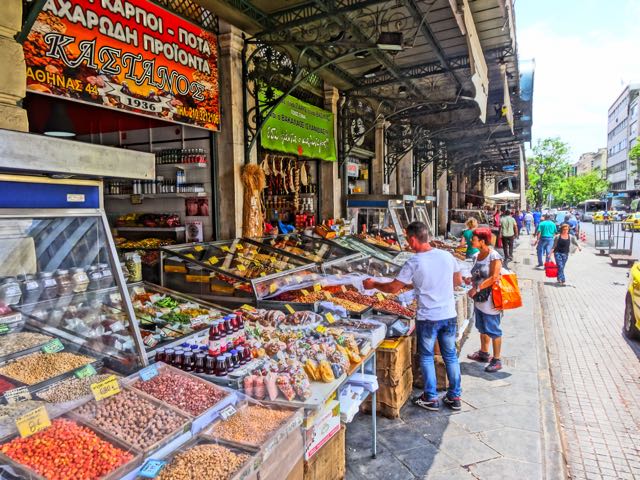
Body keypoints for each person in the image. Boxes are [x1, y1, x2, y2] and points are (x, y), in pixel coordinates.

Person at [363, 221, 463, 411]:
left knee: (426, 357)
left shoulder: (414, 262)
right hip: (449, 314)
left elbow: (393, 288)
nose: (408, 244)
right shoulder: (446, 256)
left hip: (428, 317)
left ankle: (431, 397)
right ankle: (455, 396)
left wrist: (373, 284)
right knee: (450, 356)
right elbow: (457, 281)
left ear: (413, 239)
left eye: (408, 240)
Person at [466, 228, 504, 372]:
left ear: (482, 241)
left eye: (474, 239)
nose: (471, 241)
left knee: (493, 329)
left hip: (490, 299)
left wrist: (477, 287)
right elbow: (478, 274)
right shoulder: (477, 255)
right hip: (479, 298)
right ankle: (483, 353)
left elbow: (494, 278)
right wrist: (470, 279)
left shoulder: (493, 256)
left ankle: (497, 359)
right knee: (482, 327)